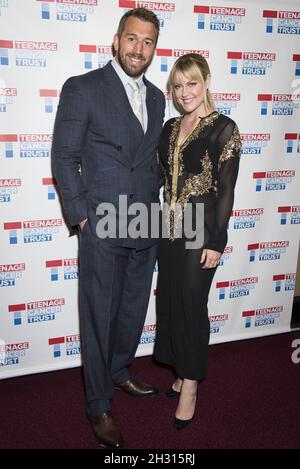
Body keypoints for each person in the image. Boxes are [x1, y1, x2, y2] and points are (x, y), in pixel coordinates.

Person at [52, 8, 165, 449]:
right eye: (132, 39)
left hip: (145, 222)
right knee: (98, 316)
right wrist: (81, 216)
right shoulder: (83, 89)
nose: (139, 49)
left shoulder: (156, 97)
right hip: (101, 222)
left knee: (132, 312)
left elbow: (150, 159)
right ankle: (98, 403)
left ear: (155, 48)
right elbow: (64, 157)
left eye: (148, 42)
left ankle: (119, 372)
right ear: (116, 41)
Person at [154, 53, 241, 430]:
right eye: (177, 85)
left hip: (202, 228)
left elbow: (225, 190)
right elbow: (160, 178)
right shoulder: (171, 127)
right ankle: (179, 369)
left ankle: (191, 384)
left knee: (191, 304)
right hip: (170, 224)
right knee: (171, 299)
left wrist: (216, 241)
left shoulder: (223, 127)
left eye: (191, 83)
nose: (184, 92)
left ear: (205, 80)